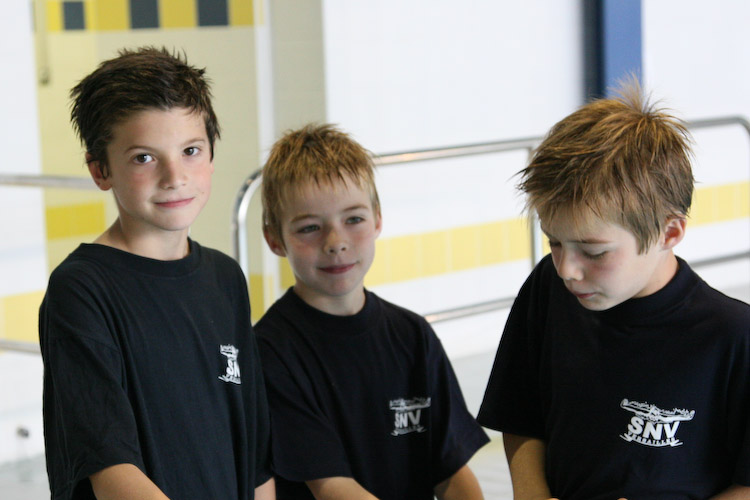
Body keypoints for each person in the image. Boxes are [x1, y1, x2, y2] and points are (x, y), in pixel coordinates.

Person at [477, 81, 750, 500]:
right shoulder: (548, 290)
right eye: (554, 242)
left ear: (669, 232)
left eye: (594, 252)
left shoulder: (733, 337)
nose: (567, 269)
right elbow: (520, 416)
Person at [39, 47, 274, 499]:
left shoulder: (225, 279)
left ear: (211, 153)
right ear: (100, 170)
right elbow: (110, 471)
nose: (174, 176)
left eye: (190, 151)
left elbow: (256, 457)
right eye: (144, 158)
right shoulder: (82, 290)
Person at [255, 124, 489, 500]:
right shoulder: (271, 352)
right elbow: (331, 487)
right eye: (310, 227)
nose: (336, 243)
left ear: (378, 219)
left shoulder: (413, 335)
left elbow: (452, 470)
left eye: (354, 219)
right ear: (274, 239)